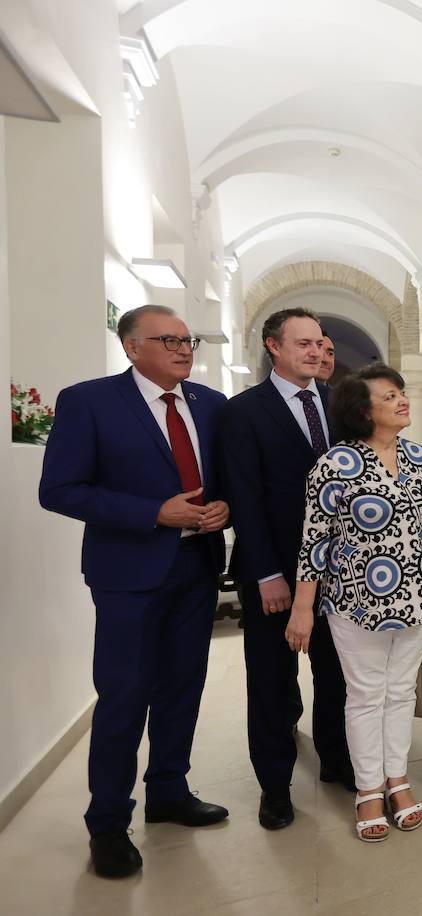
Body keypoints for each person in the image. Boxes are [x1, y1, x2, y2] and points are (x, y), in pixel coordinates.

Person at [38, 304, 230, 878]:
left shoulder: (210, 404)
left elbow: (225, 478)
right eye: (169, 340)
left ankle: (168, 790)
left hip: (198, 567)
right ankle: (108, 823)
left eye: (187, 340)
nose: (183, 349)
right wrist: (153, 513)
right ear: (131, 347)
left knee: (182, 687)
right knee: (124, 695)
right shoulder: (89, 402)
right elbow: (59, 490)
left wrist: (226, 506)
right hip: (129, 575)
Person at [285, 363, 422, 843]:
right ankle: (369, 788)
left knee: (401, 693)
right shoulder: (334, 465)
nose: (401, 400)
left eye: (400, 392)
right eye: (389, 396)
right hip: (357, 601)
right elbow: (315, 542)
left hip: (415, 596)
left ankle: (398, 780)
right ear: (362, 411)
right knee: (366, 695)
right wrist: (303, 608)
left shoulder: (418, 457)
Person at [219, 307, 353, 831]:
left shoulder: (340, 407)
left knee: (336, 673)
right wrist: (267, 574)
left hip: (340, 573)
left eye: (320, 343)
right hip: (275, 571)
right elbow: (245, 497)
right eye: (304, 344)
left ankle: (337, 760)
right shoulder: (244, 411)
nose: (316, 352)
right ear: (273, 346)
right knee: (273, 681)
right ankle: (275, 785)